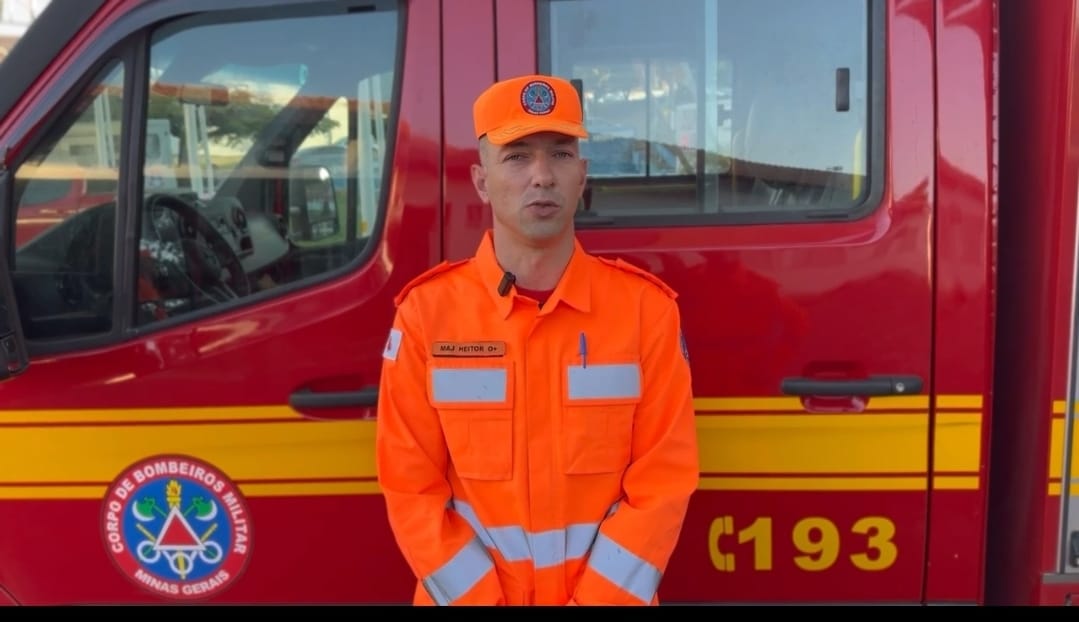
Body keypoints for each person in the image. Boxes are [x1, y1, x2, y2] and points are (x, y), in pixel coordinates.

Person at [375, 73, 699, 606]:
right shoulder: (426, 315)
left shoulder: (646, 312)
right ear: (481, 181)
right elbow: (410, 489)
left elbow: (664, 483)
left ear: (582, 176)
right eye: (517, 156)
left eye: (561, 154)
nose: (542, 176)